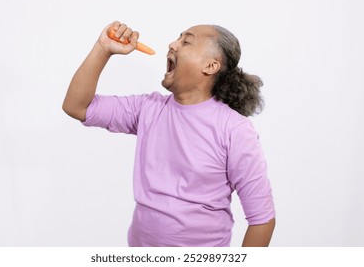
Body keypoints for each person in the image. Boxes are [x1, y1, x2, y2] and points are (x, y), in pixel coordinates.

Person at [62, 21, 276, 247]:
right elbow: (77, 106)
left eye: (186, 41)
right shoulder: (148, 108)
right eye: (178, 38)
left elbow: (262, 219)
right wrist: (102, 48)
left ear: (211, 66)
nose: (172, 44)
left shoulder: (234, 129)